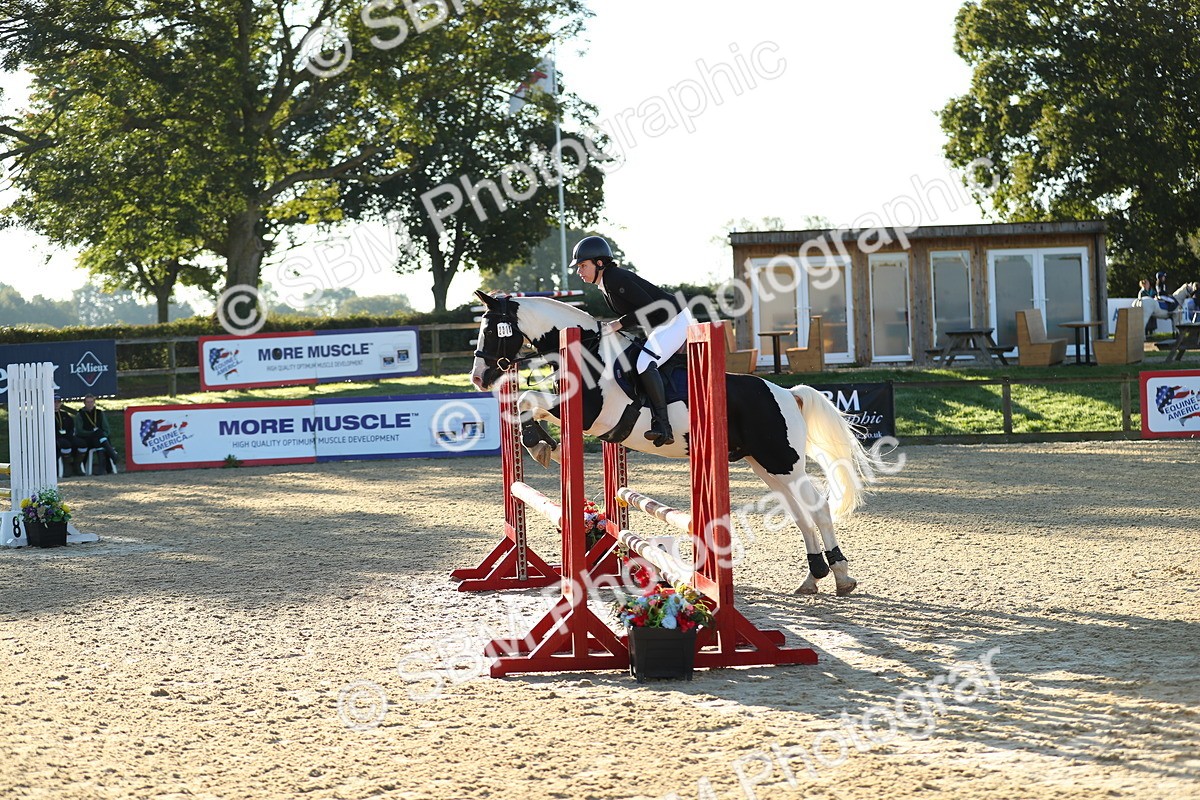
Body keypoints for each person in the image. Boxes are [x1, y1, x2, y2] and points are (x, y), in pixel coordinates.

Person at [570, 235, 692, 446]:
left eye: (582, 265)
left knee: (645, 363)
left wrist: (619, 324)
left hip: (676, 321)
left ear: (599, 263)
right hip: (662, 324)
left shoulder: (615, 277)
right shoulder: (606, 283)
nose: (579, 271)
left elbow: (647, 308)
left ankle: (663, 425)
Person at [75, 394, 120, 474]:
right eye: (88, 402)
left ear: (94, 402)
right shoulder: (80, 414)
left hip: (99, 439)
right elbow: (79, 431)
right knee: (98, 434)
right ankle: (112, 455)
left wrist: (102, 435)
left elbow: (106, 429)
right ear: (84, 403)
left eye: (91, 402)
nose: (90, 404)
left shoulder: (99, 413)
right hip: (87, 438)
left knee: (99, 436)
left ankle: (102, 469)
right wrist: (93, 433)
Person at [53, 396, 86, 477]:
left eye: (58, 402)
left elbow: (71, 427)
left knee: (82, 443)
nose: (56, 404)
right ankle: (66, 468)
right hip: (56, 438)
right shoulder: (46, 415)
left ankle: (77, 466)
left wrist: (69, 434)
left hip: (67, 436)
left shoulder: (65, 414)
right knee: (65, 444)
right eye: (55, 402)